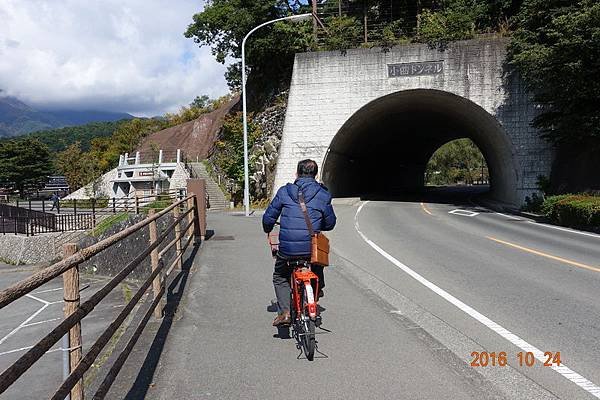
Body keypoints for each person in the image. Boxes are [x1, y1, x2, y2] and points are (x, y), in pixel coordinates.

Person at [262, 159, 336, 326]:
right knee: (317, 265)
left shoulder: (284, 191)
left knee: (280, 276)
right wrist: (319, 224)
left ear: (297, 173)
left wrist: (267, 228)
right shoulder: (323, 194)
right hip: (311, 248)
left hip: (288, 249)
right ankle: (317, 290)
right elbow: (330, 224)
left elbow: (268, 217)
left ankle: (285, 313)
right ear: (316, 175)